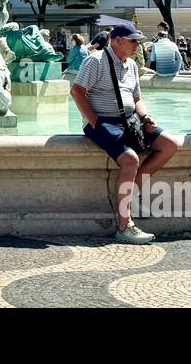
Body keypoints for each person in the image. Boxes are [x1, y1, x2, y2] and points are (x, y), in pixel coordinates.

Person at [70, 24, 181, 244]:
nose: (137, 45)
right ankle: (124, 225)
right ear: (116, 40)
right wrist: (95, 121)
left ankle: (135, 188)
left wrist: (146, 116)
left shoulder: (131, 65)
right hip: (104, 121)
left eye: (138, 41)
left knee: (169, 144)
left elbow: (137, 98)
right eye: (132, 41)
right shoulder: (95, 60)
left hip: (131, 120)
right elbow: (76, 91)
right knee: (130, 159)